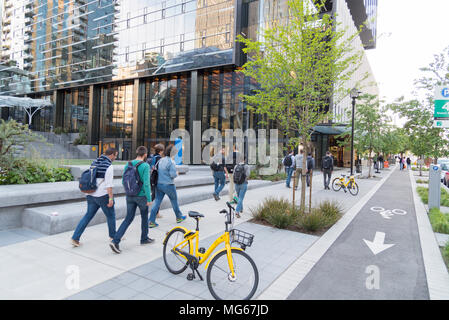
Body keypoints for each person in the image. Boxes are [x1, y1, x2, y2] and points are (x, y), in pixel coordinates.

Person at [110, 146, 154, 254]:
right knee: (144, 217)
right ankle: (144, 239)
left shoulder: (128, 164)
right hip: (141, 196)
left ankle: (115, 240)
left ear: (137, 153)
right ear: (145, 155)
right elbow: (147, 184)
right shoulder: (145, 165)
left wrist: (129, 191)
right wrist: (149, 198)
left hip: (129, 195)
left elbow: (123, 181)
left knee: (128, 218)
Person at [71, 148, 118, 247]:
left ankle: (75, 238)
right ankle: (113, 237)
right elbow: (109, 185)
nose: (115, 157)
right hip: (102, 195)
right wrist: (110, 198)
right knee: (111, 215)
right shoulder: (108, 166)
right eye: (115, 155)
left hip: (90, 194)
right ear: (112, 154)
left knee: (88, 216)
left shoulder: (94, 162)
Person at [148, 145, 186, 228]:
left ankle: (151, 221)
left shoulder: (161, 160)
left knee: (157, 202)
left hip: (159, 184)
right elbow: (172, 175)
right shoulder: (171, 162)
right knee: (174, 201)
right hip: (169, 185)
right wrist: (177, 173)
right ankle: (179, 217)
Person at [147, 144, 164, 218]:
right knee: (157, 196)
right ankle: (156, 213)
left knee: (154, 195)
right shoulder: (160, 159)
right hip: (157, 179)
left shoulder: (152, 157)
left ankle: (156, 212)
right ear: (161, 151)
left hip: (151, 178)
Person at [233, 153, 251, 218]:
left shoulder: (236, 166)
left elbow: (233, 175)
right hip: (243, 184)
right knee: (241, 198)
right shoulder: (246, 166)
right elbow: (248, 174)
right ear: (244, 159)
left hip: (236, 184)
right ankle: (237, 211)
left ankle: (241, 209)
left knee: (239, 197)